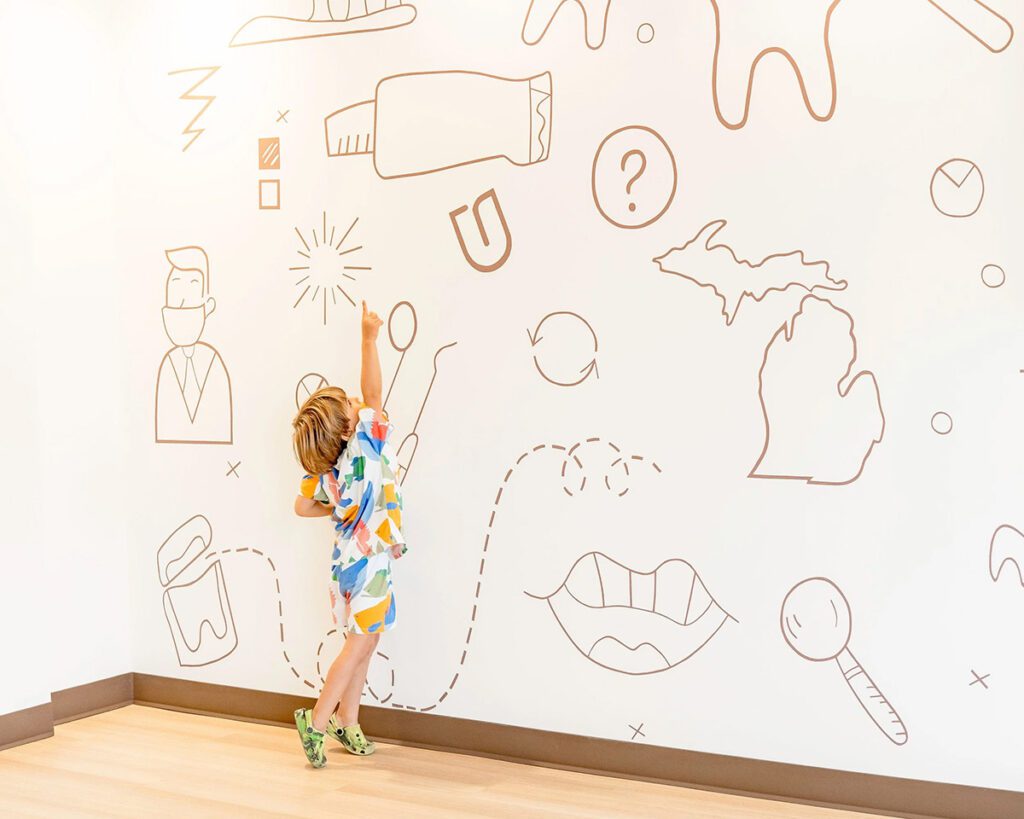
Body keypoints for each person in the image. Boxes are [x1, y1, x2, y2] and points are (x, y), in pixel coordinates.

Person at [290, 301, 406, 767]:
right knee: (360, 642)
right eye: (350, 406)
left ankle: (348, 721)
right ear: (345, 429)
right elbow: (373, 393)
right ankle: (317, 721)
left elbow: (300, 506)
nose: (359, 406)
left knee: (367, 638)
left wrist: (338, 507)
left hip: (348, 564)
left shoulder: (330, 469)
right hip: (369, 561)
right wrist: (369, 339)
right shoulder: (364, 441)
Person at [155, 245, 232, 444]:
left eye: (191, 285)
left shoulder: (214, 363)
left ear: (208, 305)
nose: (181, 301)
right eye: (175, 285)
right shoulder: (168, 365)